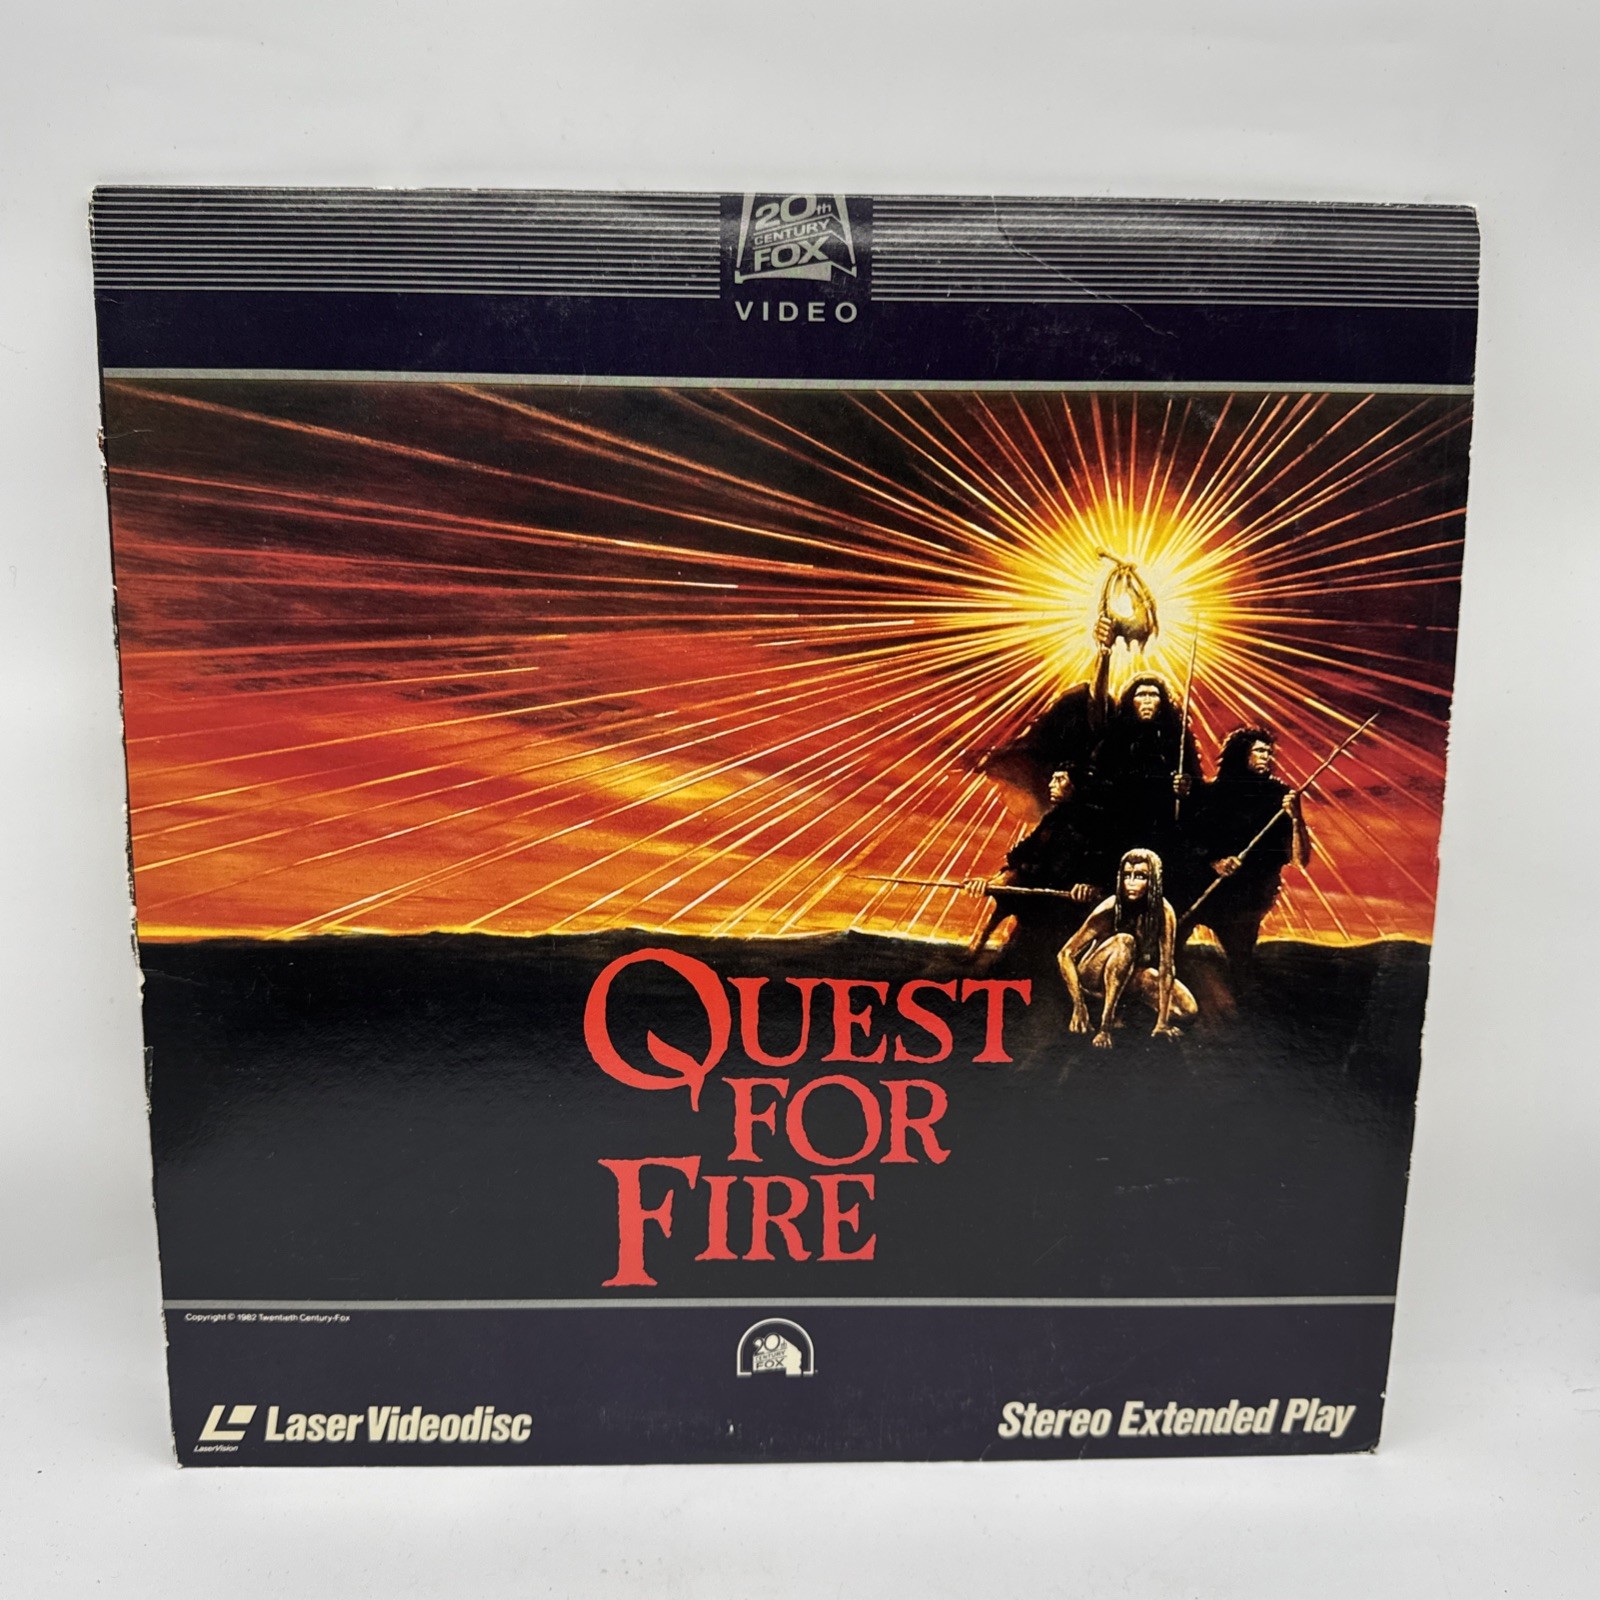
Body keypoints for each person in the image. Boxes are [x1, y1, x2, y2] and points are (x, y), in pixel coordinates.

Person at [1186, 727, 1312, 986]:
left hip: (1249, 898)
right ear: (1241, 753)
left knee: (1241, 965)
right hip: (1206, 890)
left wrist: (1296, 819)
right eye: (1260, 751)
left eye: (1269, 752)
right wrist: (1215, 863)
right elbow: (1189, 843)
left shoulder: (1279, 796)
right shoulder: (1212, 794)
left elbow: (1300, 859)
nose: (1267, 757)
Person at [963, 766, 1114, 957]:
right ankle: (978, 944)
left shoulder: (1095, 820)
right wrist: (994, 882)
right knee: (1010, 883)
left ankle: (980, 946)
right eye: (1052, 779)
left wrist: (1090, 883)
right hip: (1042, 889)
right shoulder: (1054, 817)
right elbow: (1021, 852)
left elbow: (1103, 859)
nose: (1051, 785)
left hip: (1069, 901)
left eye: (1059, 779)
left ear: (1075, 786)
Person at [1058, 848, 1198, 1049]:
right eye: (1127, 876)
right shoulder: (1110, 908)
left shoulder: (1164, 911)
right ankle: (1106, 1024)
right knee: (1125, 942)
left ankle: (1126, 1012)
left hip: (1130, 975)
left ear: (1153, 881)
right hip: (1094, 978)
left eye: (1140, 876)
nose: (1131, 882)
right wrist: (1079, 1006)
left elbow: (1167, 966)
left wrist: (1162, 1023)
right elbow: (1065, 954)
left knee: (1187, 1011)